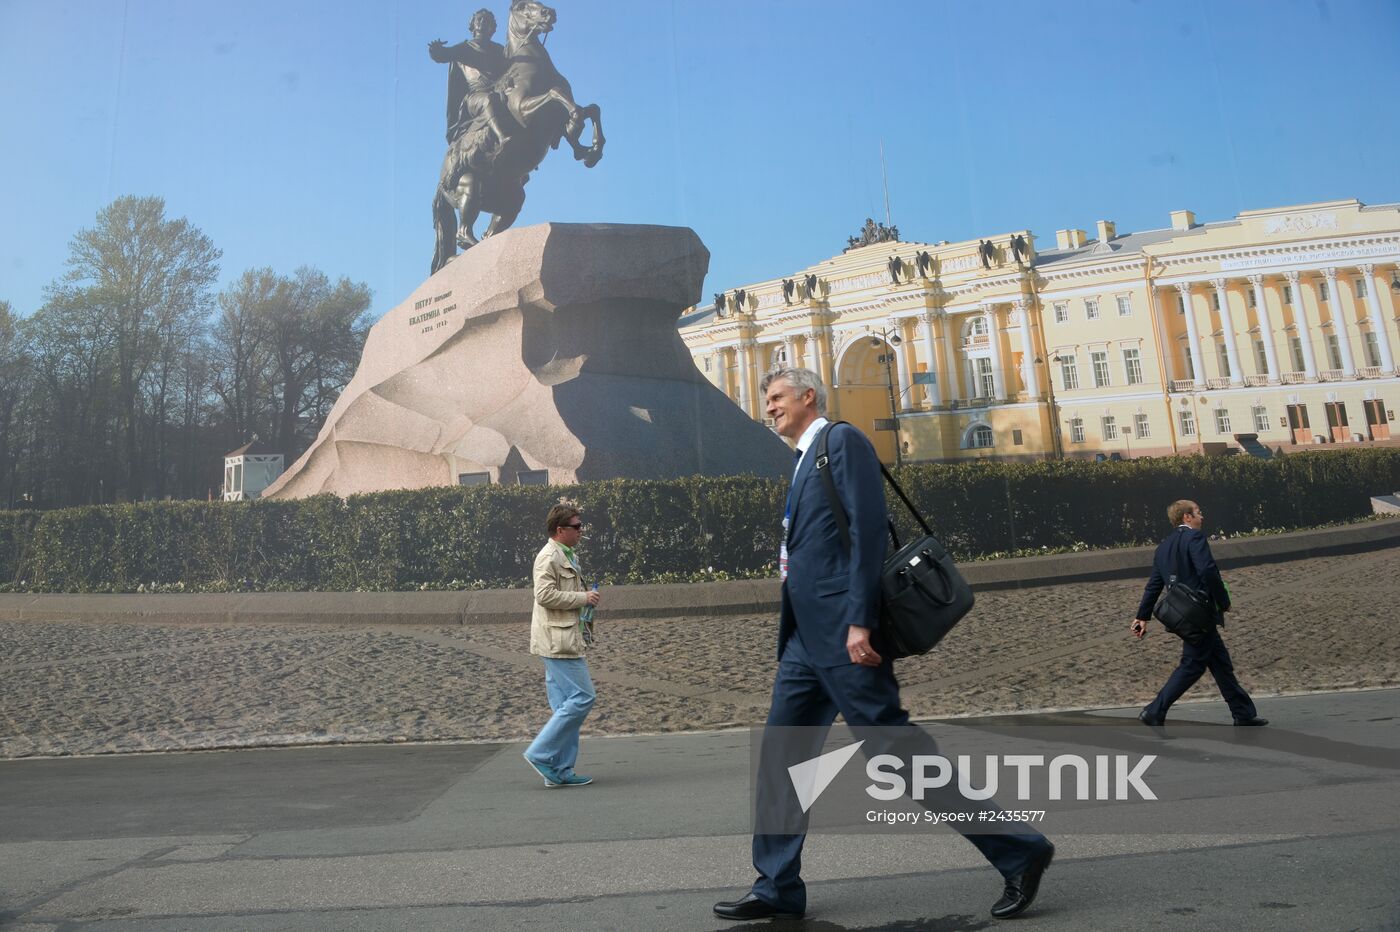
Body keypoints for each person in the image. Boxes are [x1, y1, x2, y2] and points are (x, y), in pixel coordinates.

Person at [712, 367, 1055, 923]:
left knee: (895, 753)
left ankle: (1019, 849)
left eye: (776, 398)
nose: (768, 407)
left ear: (807, 396)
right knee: (781, 757)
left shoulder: (839, 440)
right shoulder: (804, 458)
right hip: (805, 640)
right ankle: (776, 885)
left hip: (845, 637)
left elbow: (869, 530)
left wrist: (859, 621)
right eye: (766, 400)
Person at [1131, 500, 1267, 727]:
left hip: (1182, 615)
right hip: (1200, 614)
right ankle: (1154, 710)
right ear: (1186, 517)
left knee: (1220, 663)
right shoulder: (1194, 537)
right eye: (1198, 513)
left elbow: (1154, 584)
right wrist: (1223, 602)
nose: (1201, 517)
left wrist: (1142, 617)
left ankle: (1243, 713)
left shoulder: (1163, 547)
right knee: (1192, 665)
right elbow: (1207, 570)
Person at [523, 504, 603, 787]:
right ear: (560, 530)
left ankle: (560, 770)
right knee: (583, 698)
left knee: (564, 707)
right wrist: (583, 598)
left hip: (561, 637)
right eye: (577, 526)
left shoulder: (565, 554)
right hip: (558, 641)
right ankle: (541, 754)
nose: (581, 531)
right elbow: (543, 595)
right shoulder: (548, 557)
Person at [428, 9, 513, 146]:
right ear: (473, 24)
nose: (483, 22)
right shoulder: (464, 48)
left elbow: (512, 66)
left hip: (498, 90)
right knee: (488, 100)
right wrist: (435, 50)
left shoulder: (499, 50)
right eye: (479, 19)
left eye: (487, 20)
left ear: (492, 27)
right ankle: (502, 137)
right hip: (476, 96)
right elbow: (443, 55)